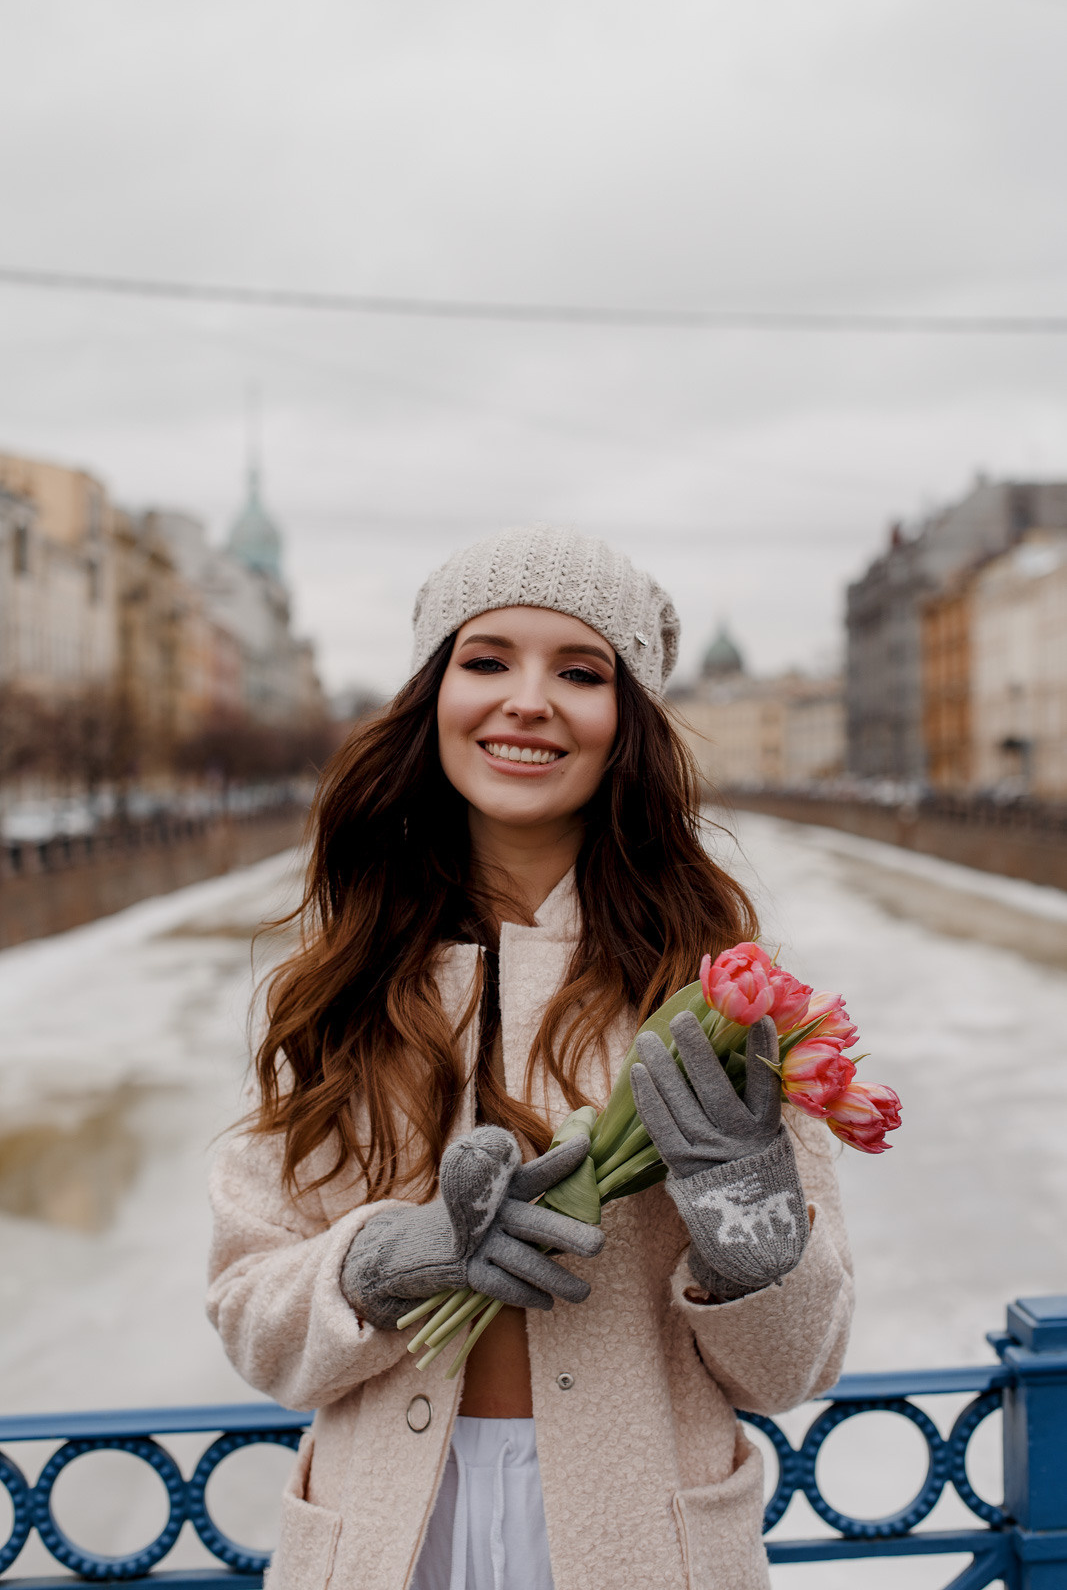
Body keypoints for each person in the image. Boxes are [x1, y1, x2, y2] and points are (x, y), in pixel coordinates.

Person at [207, 526, 853, 1590]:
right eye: (486, 660)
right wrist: (386, 1265)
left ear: (626, 722)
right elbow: (248, 1315)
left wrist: (747, 1207)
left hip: (642, 1546)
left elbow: (792, 1370)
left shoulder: (715, 995)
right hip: (383, 1542)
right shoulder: (336, 986)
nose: (527, 701)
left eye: (580, 673)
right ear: (434, 695)